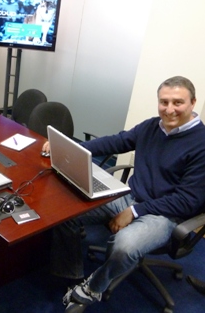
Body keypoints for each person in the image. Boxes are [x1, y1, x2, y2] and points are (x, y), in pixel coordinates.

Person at [42, 76, 205, 312]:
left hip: (165, 214)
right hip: (130, 197)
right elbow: (116, 142)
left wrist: (135, 211)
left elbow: (187, 201)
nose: (169, 110)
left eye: (177, 103)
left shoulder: (201, 143)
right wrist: (68, 145)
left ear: (193, 103)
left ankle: (92, 288)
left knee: (124, 247)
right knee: (66, 211)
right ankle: (72, 274)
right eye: (164, 102)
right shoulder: (152, 127)